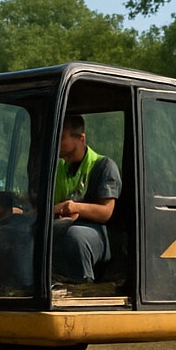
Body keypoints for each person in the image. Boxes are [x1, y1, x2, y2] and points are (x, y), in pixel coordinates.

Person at [52, 114, 121, 283]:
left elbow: (106, 212)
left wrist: (75, 207)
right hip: (66, 224)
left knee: (76, 236)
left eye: (61, 138)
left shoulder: (104, 166)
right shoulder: (60, 167)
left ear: (81, 138)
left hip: (100, 233)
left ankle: (83, 287)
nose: (57, 144)